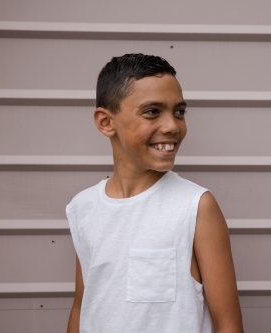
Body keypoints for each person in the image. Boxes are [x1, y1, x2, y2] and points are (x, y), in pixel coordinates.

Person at [66, 53, 243, 333]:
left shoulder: (196, 207)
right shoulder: (83, 208)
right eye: (152, 111)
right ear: (105, 122)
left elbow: (228, 325)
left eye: (179, 112)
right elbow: (82, 304)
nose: (173, 125)